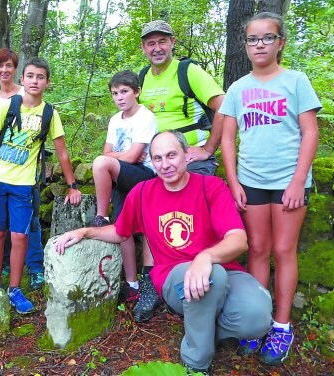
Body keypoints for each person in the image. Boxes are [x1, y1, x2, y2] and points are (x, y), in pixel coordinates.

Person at [54, 131, 273, 375]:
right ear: (151, 161)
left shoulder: (211, 187)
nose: (165, 164)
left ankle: (200, 327)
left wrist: (205, 257)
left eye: (171, 155)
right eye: (157, 158)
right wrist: (85, 232)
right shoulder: (142, 192)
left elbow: (238, 239)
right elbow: (120, 231)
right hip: (173, 276)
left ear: (187, 155)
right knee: (214, 277)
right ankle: (195, 364)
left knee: (257, 319)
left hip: (220, 269)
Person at [220, 12, 321, 366]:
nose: (259, 44)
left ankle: (281, 325)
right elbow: (228, 138)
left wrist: (297, 180)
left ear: (281, 43)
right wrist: (234, 183)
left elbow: (310, 132)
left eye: (267, 38)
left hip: (289, 183)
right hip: (251, 181)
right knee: (258, 249)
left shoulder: (295, 81)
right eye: (252, 39)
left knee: (283, 249)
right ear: (244, 45)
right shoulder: (238, 88)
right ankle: (257, 322)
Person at [136, 19, 227, 321]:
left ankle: (203, 276)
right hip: (156, 160)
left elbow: (224, 105)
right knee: (136, 201)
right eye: (151, 43)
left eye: (162, 41)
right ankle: (150, 279)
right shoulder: (142, 78)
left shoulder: (189, 72)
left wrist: (209, 148)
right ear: (143, 48)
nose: (157, 47)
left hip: (191, 157)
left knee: (195, 206)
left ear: (173, 42)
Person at [0, 57, 82, 314]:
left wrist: (72, 185)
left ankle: (15, 288)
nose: (35, 81)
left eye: (40, 77)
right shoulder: (6, 106)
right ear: (22, 79)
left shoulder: (49, 113)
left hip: (24, 184)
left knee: (20, 235)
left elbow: (62, 153)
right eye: (30, 76)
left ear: (47, 82)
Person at [90, 70, 157, 318]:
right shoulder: (115, 120)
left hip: (143, 175)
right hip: (122, 174)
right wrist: (121, 155)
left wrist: (118, 156)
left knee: (99, 163)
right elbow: (115, 152)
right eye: (115, 93)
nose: (119, 97)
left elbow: (130, 157)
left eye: (124, 91)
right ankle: (132, 284)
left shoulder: (145, 117)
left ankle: (100, 216)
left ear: (137, 91)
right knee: (123, 228)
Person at [0, 48, 45, 291]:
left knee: (30, 224)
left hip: (26, 173)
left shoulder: (29, 92)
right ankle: (3, 272)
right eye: (0, 66)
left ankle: (34, 268)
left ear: (16, 70)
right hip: (0, 171)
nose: (4, 70)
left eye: (9, 66)